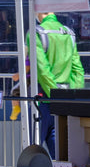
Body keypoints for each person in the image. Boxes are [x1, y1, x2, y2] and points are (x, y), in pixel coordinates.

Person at [26, 12, 84, 154]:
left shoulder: (35, 34)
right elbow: (78, 70)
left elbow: (42, 70)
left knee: (33, 153)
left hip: (42, 101)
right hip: (65, 103)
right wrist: (71, 97)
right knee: (60, 155)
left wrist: (54, 94)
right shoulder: (69, 33)